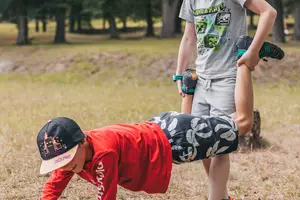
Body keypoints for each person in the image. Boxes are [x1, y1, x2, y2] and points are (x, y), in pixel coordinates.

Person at [37, 44, 282, 199]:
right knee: (209, 139)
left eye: (67, 159)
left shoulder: (103, 155)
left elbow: (106, 196)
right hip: (164, 127)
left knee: (243, 123)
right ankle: (190, 87)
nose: (65, 167)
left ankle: (245, 58)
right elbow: (53, 188)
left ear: (81, 143)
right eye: (59, 163)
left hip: (175, 141)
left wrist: (245, 59)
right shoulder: (79, 153)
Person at [175, 0, 278, 199]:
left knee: (221, 144)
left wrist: (252, 52)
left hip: (228, 77)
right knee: (200, 143)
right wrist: (179, 74)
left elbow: (269, 12)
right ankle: (223, 197)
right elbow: (189, 37)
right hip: (201, 79)